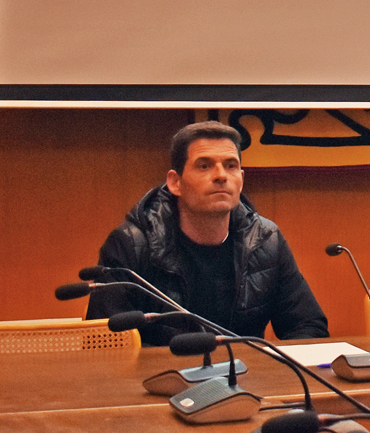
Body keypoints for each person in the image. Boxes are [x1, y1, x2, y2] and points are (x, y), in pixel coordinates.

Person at [86, 121, 328, 346]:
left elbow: (308, 326)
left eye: (231, 166)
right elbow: (106, 343)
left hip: (245, 380)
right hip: (159, 385)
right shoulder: (132, 244)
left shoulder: (265, 240)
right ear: (175, 183)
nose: (221, 175)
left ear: (241, 180)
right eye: (204, 165)